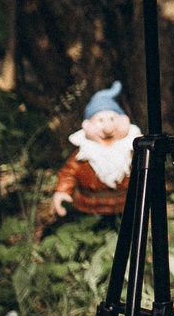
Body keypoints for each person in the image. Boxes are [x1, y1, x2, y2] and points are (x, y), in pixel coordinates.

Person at [48, 82, 139, 219]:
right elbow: (69, 173)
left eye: (112, 119)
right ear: (87, 125)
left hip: (125, 204)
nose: (108, 129)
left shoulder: (131, 150)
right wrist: (62, 190)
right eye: (100, 121)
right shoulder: (85, 153)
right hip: (89, 206)